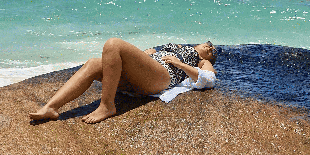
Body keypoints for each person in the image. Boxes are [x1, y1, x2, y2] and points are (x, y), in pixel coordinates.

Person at [29, 38, 217, 124]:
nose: (210, 48)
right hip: (145, 73)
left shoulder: (201, 60)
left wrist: (179, 64)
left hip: (162, 76)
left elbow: (209, 79)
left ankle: (107, 105)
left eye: (212, 51)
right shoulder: (179, 46)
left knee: (113, 44)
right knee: (93, 63)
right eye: (208, 45)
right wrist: (146, 55)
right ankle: (51, 108)